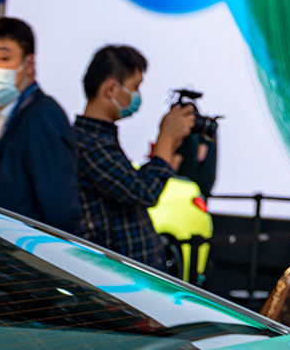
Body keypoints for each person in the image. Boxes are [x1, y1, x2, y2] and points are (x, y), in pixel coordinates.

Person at [73, 44, 197, 268]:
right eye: (135, 87)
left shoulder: (102, 139)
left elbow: (131, 187)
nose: (137, 96)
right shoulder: (88, 143)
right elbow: (144, 192)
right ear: (112, 88)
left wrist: (169, 145)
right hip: (115, 276)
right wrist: (166, 137)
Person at [0, 16, 81, 233]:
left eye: (3, 59)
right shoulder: (7, 118)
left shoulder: (42, 117)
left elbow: (60, 212)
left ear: (29, 65)